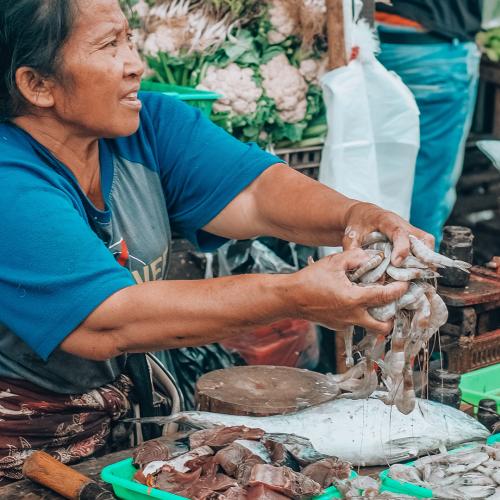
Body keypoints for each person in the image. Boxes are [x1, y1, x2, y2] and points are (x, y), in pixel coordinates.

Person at [0, 0, 433, 482]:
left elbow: (257, 193)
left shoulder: (147, 126)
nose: (134, 63)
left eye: (128, 39)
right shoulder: (8, 180)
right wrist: (294, 296)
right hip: (25, 450)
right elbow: (104, 321)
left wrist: (355, 215)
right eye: (108, 45)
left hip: (122, 428)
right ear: (36, 85)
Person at [376, 0, 483, 247]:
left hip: (377, 34)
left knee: (375, 165)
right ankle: (415, 271)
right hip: (433, 42)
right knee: (426, 180)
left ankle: (371, 266)